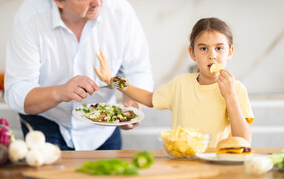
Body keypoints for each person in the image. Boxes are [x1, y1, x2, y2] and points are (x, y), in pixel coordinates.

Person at [4, 0, 153, 151]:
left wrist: (133, 105)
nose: (97, 1)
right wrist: (60, 92)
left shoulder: (121, 12)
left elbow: (137, 69)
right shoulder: (30, 18)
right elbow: (16, 91)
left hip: (104, 129)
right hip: (47, 126)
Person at [95, 17, 254, 148]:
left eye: (219, 48)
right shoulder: (180, 84)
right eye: (203, 49)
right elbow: (149, 99)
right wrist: (113, 80)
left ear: (230, 52)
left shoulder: (237, 89)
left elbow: (244, 140)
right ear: (192, 53)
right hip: (183, 162)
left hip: (219, 164)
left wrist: (230, 96)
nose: (212, 55)